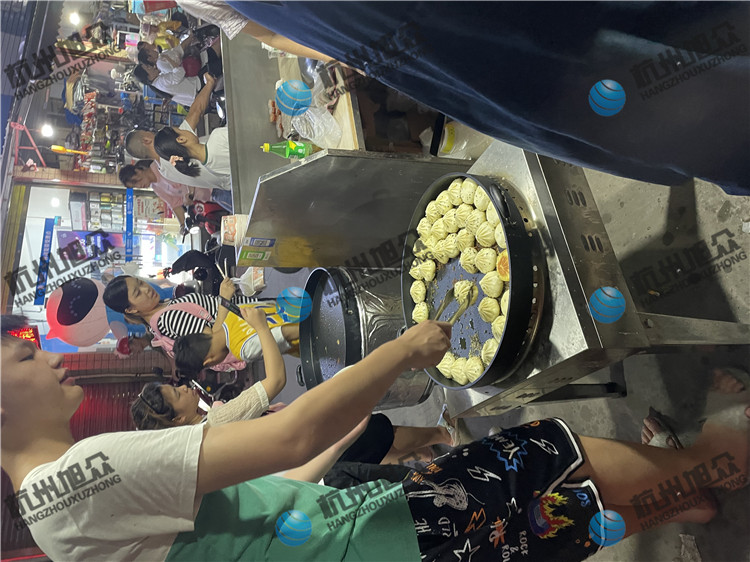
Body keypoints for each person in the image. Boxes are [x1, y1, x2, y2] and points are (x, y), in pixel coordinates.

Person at [3, 315, 748, 561]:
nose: (47, 355)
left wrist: (339, 447)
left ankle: (684, 494)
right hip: (381, 541)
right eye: (19, 356)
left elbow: (250, 515)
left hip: (365, 540)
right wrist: (400, 350)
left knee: (549, 525)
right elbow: (291, 434)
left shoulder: (53, 518)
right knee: (546, 454)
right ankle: (720, 453)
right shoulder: (83, 474)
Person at [224, 2, 750, 196]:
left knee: (600, 27)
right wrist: (355, 54)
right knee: (570, 83)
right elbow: (267, 32)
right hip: (410, 43)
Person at [102, 276, 259, 360]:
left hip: (248, 316)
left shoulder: (163, 307)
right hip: (250, 327)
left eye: (141, 283)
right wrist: (224, 299)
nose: (146, 289)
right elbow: (214, 343)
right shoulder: (168, 318)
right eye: (138, 293)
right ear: (131, 309)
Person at [125, 73, 232, 193]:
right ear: (146, 140)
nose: (150, 131)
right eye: (146, 132)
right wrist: (209, 84)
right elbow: (196, 111)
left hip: (232, 182)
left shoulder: (165, 172)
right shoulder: (175, 145)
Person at [173, 301, 299, 375]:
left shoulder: (243, 349)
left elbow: (286, 333)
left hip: (308, 334)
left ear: (209, 361)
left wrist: (311, 324)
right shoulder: (232, 312)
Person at [118, 160, 230, 232]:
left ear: (138, 170)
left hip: (212, 182)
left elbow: (186, 172)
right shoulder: (156, 187)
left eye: (136, 181)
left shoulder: (160, 166)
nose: (139, 186)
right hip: (211, 196)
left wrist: (190, 193)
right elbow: (174, 204)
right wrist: (182, 226)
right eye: (135, 186)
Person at [154, 124, 231, 182]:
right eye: (181, 130)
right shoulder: (217, 136)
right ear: (181, 139)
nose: (186, 130)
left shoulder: (211, 169)